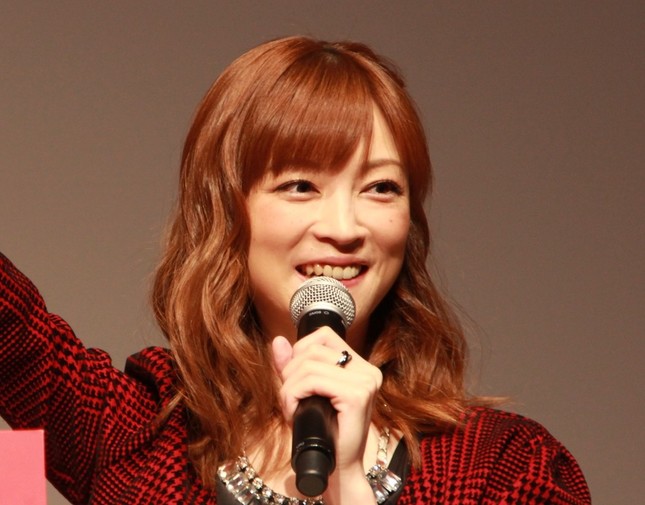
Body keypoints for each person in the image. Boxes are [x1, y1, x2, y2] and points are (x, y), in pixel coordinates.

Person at [0, 36, 590, 505]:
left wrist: (350, 487)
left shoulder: (505, 470)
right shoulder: (141, 437)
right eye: (301, 185)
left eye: (381, 188)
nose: (345, 226)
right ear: (227, 211)